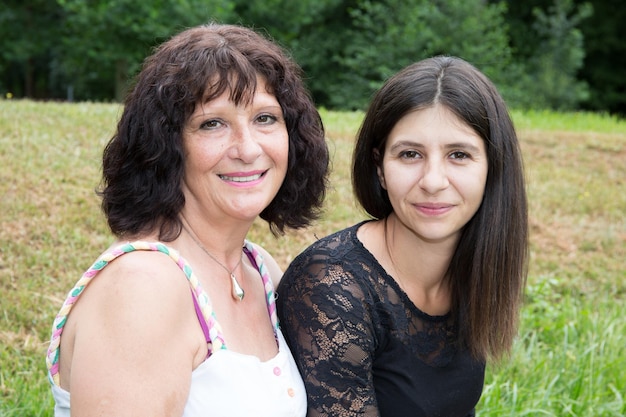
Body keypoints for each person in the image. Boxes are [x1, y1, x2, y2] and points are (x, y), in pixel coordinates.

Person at [45, 23, 328, 416]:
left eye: (265, 118)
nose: (247, 149)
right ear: (164, 144)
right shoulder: (142, 286)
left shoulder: (258, 268)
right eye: (213, 123)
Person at [277, 56, 528, 417]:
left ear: (492, 167)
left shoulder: (476, 262)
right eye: (410, 154)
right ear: (379, 168)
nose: (433, 181)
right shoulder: (332, 288)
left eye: (459, 155)